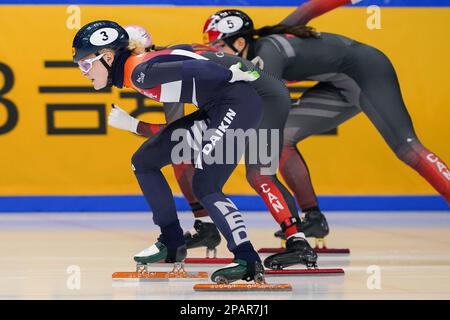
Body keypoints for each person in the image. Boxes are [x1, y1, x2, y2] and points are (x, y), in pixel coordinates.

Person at [200, 8, 450, 252]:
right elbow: (305, 12)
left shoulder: (267, 54)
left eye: (220, 47)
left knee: (407, 148)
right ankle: (313, 218)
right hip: (337, 86)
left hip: (369, 71)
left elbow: (264, 103)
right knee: (284, 137)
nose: (218, 54)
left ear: (241, 42)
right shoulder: (261, 46)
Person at [73, 20, 269, 283]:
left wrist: (233, 73)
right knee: (144, 161)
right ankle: (172, 241)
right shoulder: (137, 68)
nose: (83, 72)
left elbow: (193, 66)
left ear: (108, 57)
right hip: (215, 108)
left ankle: (247, 259)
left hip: (237, 105)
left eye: (85, 64)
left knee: (206, 185)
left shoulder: (139, 71)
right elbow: (186, 57)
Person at [109, 26, 319, 270]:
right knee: (178, 157)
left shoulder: (153, 70)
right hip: (239, 97)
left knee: (258, 174)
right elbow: (179, 134)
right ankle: (205, 226)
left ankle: (297, 241)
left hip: (262, 98)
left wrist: (135, 125)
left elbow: (173, 129)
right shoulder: (164, 58)